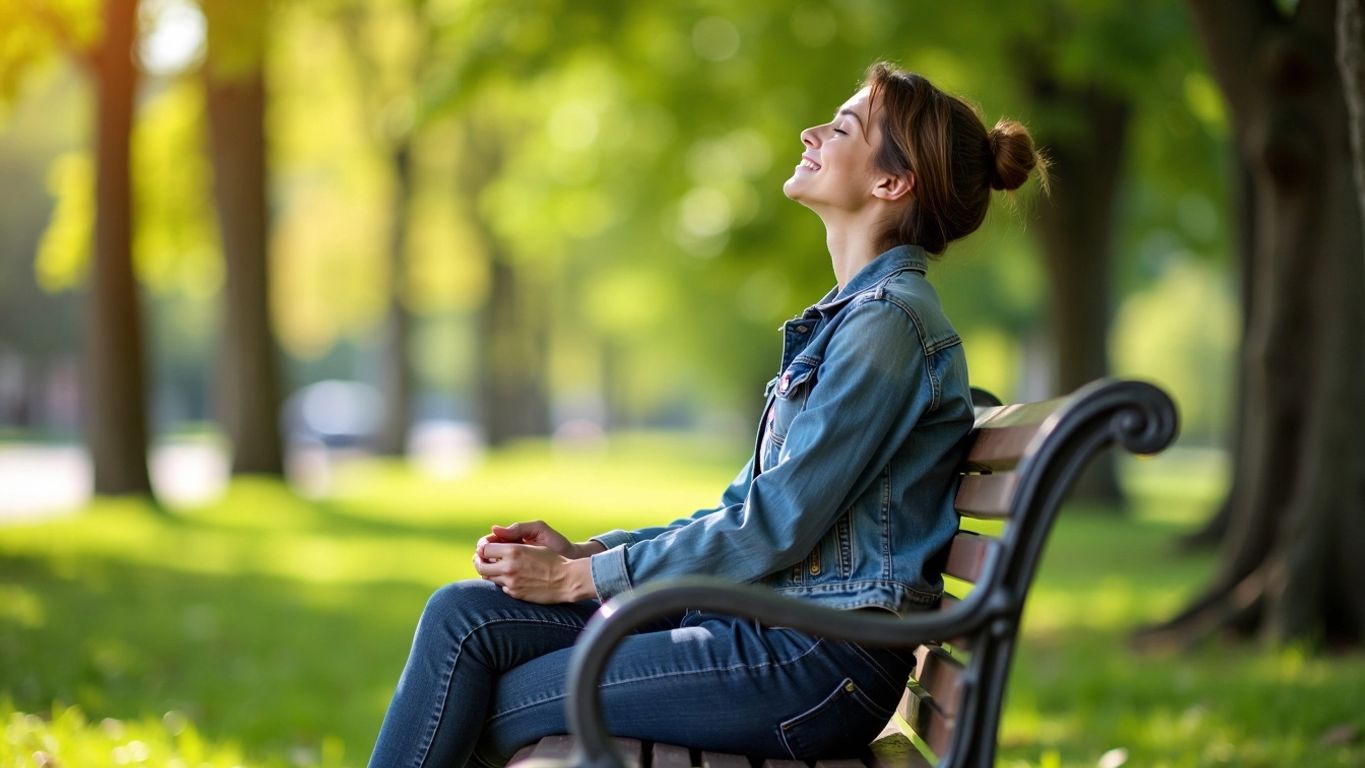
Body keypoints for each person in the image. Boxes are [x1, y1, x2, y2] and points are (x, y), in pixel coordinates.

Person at [367, 61, 1047, 767]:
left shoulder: (888, 327)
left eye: (843, 128)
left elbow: (773, 524)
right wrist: (590, 555)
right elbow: (743, 510)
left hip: (812, 666)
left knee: (493, 699)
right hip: (768, 628)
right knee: (463, 616)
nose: (811, 133)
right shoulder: (854, 321)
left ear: (891, 183)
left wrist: (578, 583)